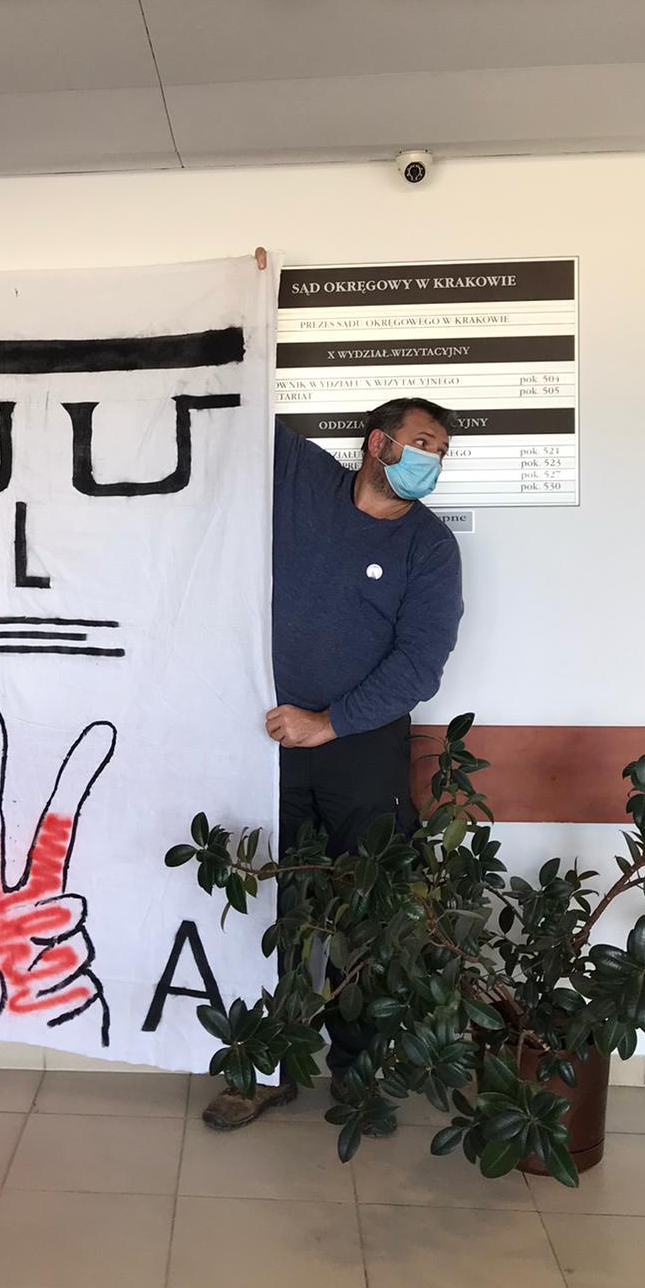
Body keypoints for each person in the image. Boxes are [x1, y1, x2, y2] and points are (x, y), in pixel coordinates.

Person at [203, 397, 463, 1131]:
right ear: (378, 443)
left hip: (363, 747)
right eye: (422, 442)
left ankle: (358, 1076)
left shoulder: (430, 547)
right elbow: (234, 400)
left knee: (365, 913)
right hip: (268, 739)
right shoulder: (305, 480)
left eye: (441, 451)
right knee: (273, 904)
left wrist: (330, 723)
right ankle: (266, 1069)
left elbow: (420, 664)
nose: (432, 460)